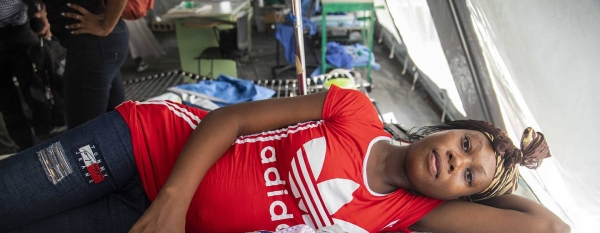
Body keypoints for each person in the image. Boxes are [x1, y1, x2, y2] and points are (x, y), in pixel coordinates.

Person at [0, 86, 569, 232]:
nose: (455, 160)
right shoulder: (353, 109)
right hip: (138, 148)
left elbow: (549, 226)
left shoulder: (400, 215)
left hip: (142, 220)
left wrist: (508, 165)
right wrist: (173, 203)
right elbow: (232, 120)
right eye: (465, 144)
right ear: (449, 128)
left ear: (459, 199)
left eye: (469, 178)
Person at [43, 0, 129, 129]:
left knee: (82, 137)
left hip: (92, 45)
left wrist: (105, 26)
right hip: (99, 45)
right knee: (118, 127)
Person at [0, 0, 52, 149]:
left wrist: (45, 13)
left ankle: (46, 142)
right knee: (6, 103)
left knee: (36, 93)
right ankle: (24, 149)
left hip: (19, 30)